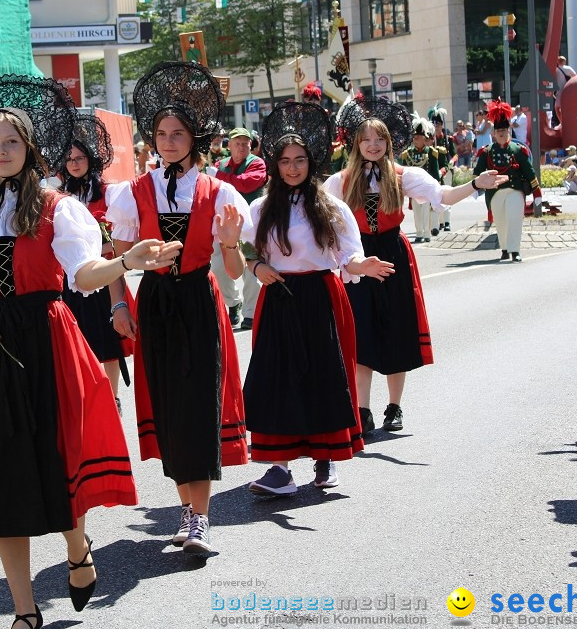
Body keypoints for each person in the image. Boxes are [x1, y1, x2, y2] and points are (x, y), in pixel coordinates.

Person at [0, 75, 175, 629]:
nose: (1, 152)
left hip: (47, 334)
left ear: (30, 149)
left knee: (56, 456)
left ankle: (76, 547)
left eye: (11, 143)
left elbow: (84, 274)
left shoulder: (57, 208)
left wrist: (129, 261)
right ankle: (25, 610)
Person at [106, 61, 251, 555]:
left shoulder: (219, 192)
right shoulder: (133, 192)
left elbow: (234, 274)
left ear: (195, 137)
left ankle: (202, 518)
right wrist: (118, 306)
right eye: (161, 134)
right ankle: (186, 511)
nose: (168, 141)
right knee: (167, 404)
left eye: (178, 134)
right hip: (155, 302)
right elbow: (116, 262)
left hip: (197, 298)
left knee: (198, 404)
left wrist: (230, 243)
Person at [324, 96, 507, 435]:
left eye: (379, 139)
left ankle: (394, 407)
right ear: (356, 143)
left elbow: (443, 196)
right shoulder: (340, 181)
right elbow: (320, 217)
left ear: (388, 143)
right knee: (361, 335)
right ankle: (362, 411)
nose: (373, 145)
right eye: (366, 139)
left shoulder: (404, 175)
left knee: (396, 331)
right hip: (357, 260)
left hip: (393, 256)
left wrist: (475, 184)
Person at [241, 101, 393, 497]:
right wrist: (257, 268)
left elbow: (348, 254)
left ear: (312, 162)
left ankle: (325, 459)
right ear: (275, 164)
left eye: (300, 160)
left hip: (322, 297)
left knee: (324, 377)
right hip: (278, 299)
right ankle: (279, 468)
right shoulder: (260, 208)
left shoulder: (331, 206)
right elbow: (244, 250)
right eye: (286, 160)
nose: (293, 167)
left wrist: (362, 265)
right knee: (276, 379)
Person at [58, 113, 132, 413]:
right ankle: (84, 396)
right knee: (76, 339)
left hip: (105, 273)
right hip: (70, 276)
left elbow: (120, 241)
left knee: (106, 340)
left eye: (79, 158)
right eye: (69, 159)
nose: (74, 163)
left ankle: (112, 398)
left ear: (91, 159)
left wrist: (100, 246)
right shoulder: (57, 196)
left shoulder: (109, 193)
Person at [473, 99, 542, 262]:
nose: (502, 133)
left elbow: (529, 171)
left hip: (514, 190)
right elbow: (478, 172)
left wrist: (537, 192)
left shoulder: (518, 150)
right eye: (499, 131)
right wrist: (475, 188)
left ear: (508, 131)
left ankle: (515, 250)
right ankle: (504, 248)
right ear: (494, 134)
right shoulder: (487, 152)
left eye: (504, 130)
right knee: (501, 222)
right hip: (495, 192)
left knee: (514, 218)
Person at [213, 126, 267, 328]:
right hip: (225, 225)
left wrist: (219, 176)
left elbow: (246, 184)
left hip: (251, 224)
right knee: (218, 267)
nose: (242, 146)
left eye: (246, 143)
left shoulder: (257, 163)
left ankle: (251, 312)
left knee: (251, 268)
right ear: (231, 145)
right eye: (238, 143)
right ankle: (233, 303)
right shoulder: (222, 164)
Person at [398, 113, 441, 243]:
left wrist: (436, 184)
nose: (415, 140)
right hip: (413, 188)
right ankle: (419, 232)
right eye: (414, 137)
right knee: (417, 211)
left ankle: (427, 233)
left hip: (426, 187)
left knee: (426, 210)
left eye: (418, 137)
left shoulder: (431, 152)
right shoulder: (408, 154)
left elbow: (435, 171)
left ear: (424, 138)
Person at [429, 104, 456, 232]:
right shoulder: (430, 139)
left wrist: (451, 161)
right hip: (435, 170)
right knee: (436, 195)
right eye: (435, 125)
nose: (437, 127)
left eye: (438, 125)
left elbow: (455, 154)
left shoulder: (448, 139)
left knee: (448, 195)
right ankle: (439, 222)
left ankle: (446, 222)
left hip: (447, 169)